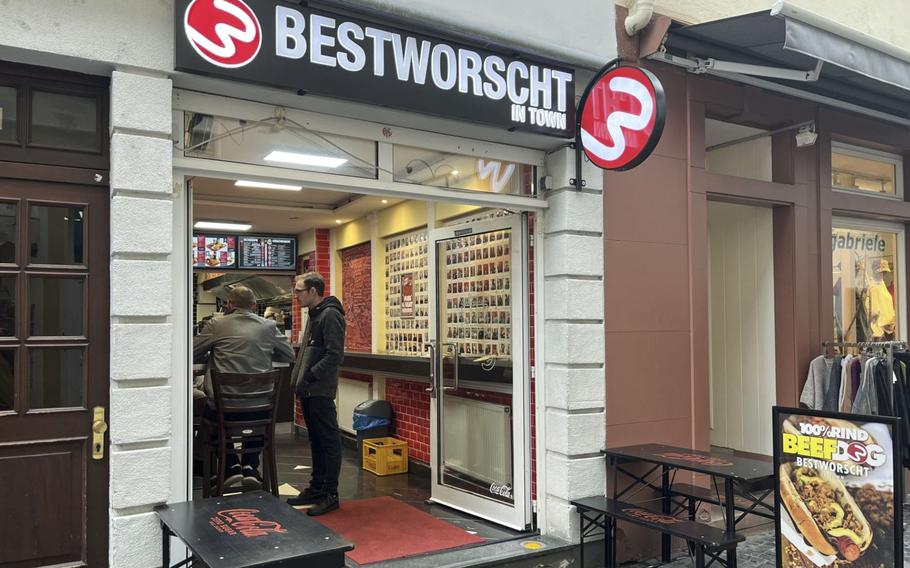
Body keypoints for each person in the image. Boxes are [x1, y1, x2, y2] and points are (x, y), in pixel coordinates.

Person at [193, 285, 295, 488]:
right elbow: (289, 355)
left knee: (209, 417)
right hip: (261, 411)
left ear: (229, 304)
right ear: (255, 305)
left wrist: (213, 353)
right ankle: (250, 466)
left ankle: (230, 467)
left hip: (226, 411)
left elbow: (193, 352)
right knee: (254, 410)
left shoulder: (216, 324)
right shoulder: (268, 326)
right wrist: (263, 352)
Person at [286, 272, 346, 516]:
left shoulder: (330, 314)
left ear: (313, 291)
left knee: (329, 441)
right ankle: (317, 487)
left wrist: (310, 374)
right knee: (317, 441)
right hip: (309, 389)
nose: (296, 295)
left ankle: (330, 493)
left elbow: (334, 354)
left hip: (319, 389)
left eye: (299, 290)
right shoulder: (314, 314)